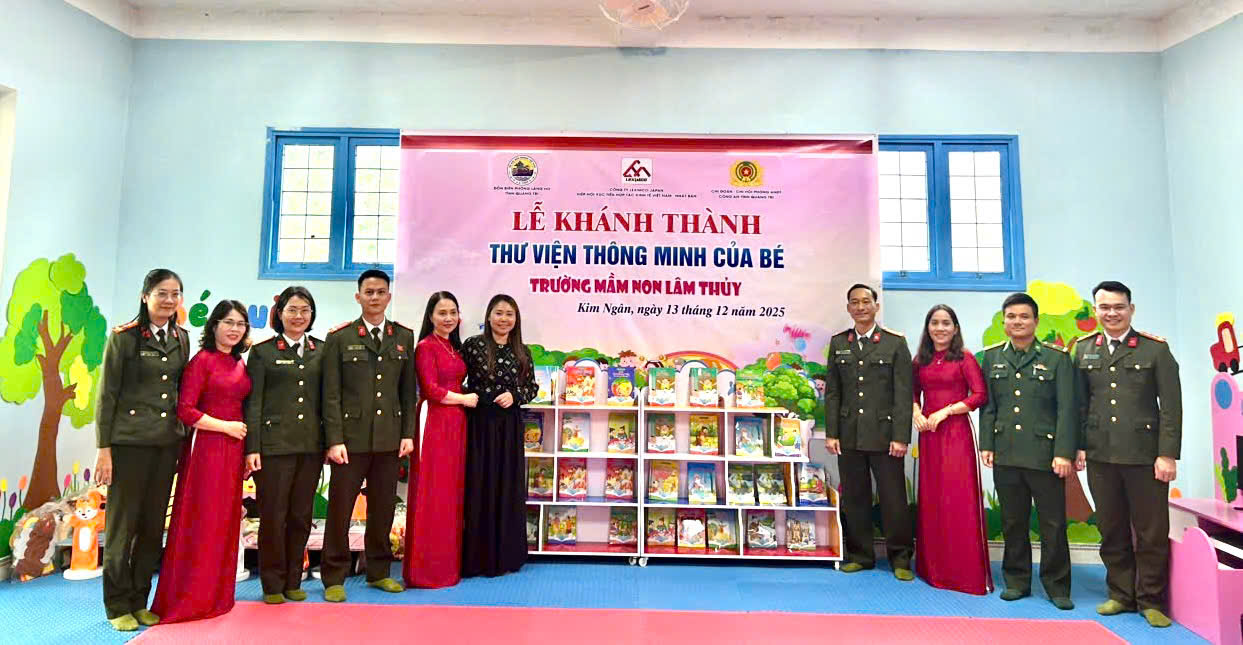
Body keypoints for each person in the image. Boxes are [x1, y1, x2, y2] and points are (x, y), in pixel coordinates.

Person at [1071, 280, 1181, 628]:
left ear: (1131, 309)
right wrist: (1079, 446)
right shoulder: (1083, 349)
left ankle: (1151, 600)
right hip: (1101, 455)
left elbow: (1171, 407)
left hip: (1145, 456)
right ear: (1096, 310)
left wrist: (1167, 454)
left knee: (1151, 532)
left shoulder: (1155, 350)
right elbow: (1079, 405)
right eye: (1104, 307)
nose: (1112, 313)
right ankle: (1120, 594)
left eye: (1119, 307)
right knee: (1111, 528)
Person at [94, 269, 190, 632]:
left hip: (165, 445)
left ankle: (139, 600)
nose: (169, 300)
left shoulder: (181, 338)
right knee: (123, 528)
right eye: (162, 293)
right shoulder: (125, 337)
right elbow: (107, 397)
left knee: (152, 527)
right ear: (145, 296)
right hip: (129, 445)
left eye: (175, 294)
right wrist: (103, 448)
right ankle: (117, 604)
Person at [150, 300, 253, 623]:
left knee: (224, 521)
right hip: (206, 448)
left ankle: (216, 595)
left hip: (233, 450)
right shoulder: (201, 361)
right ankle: (190, 597)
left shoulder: (238, 362)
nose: (235, 329)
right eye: (228, 322)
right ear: (214, 326)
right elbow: (186, 410)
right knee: (202, 519)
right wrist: (225, 427)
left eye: (240, 324)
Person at [320, 270, 416, 601]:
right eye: (369, 292)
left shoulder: (403, 336)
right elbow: (331, 394)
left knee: (383, 509)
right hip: (350, 440)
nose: (375, 297)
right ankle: (334, 576)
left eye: (380, 292)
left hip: (389, 439)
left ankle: (378, 572)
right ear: (358, 296)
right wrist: (334, 439)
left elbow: (407, 393)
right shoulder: (340, 337)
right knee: (340, 510)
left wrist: (407, 433)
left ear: (389, 296)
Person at [978, 292, 1076, 610]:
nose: (1017, 321)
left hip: (1046, 455)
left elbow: (1067, 409)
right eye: (1011, 316)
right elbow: (989, 407)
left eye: (1024, 316)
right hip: (1006, 453)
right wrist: (987, 444)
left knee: (1053, 524)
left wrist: (1064, 452)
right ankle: (1017, 581)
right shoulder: (992, 357)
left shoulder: (1057, 358)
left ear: (1036, 321)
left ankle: (1057, 586)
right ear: (1004, 321)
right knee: (1013, 521)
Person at [824, 283, 914, 580]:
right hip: (849, 434)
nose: (860, 307)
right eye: (855, 302)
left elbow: (903, 394)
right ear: (848, 308)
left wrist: (900, 437)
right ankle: (860, 556)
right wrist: (832, 433)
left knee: (893, 499)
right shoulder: (839, 343)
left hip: (886, 436)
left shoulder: (894, 343)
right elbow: (833, 392)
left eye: (866, 301)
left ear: (876, 306)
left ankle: (900, 559)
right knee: (855, 498)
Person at [244, 287, 324, 604]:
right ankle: (272, 583)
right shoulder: (262, 352)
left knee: (301, 516)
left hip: (311, 446)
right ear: (280, 314)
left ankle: (293, 579)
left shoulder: (322, 350)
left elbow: (329, 399)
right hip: (273, 447)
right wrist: (252, 447)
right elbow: (253, 404)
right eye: (292, 309)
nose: (299, 316)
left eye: (305, 310)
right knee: (274, 516)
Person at [911, 304, 992, 595]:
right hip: (929, 436)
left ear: (955, 328)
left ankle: (963, 571)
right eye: (934, 322)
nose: (940, 328)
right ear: (927, 327)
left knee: (958, 498)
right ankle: (933, 568)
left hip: (956, 434)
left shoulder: (964, 358)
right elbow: (912, 393)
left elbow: (979, 395)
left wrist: (946, 411)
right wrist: (916, 412)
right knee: (932, 498)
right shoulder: (920, 360)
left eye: (946, 323)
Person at [460, 294, 539, 578]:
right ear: (488, 316)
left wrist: (515, 396)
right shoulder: (473, 345)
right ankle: (477, 558)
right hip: (479, 424)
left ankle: (506, 555)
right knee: (479, 485)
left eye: (509, 314)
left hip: (509, 427)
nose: (504, 319)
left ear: (516, 319)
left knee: (507, 485)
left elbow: (532, 387)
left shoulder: (522, 351)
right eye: (499, 313)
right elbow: (457, 379)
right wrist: (473, 396)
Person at [403, 292, 478, 588]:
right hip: (434, 421)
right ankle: (426, 571)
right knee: (432, 492)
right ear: (431, 316)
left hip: (456, 423)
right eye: (442, 313)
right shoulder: (425, 347)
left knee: (451, 493)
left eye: (453, 312)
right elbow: (431, 389)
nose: (448, 318)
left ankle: (447, 565)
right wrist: (464, 398)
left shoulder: (452, 347)